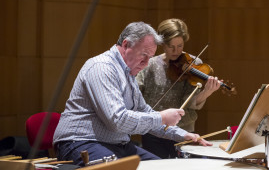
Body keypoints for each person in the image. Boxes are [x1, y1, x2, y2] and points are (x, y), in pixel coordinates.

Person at [53, 22, 212, 166]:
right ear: (126, 44)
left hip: (118, 145)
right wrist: (162, 117)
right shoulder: (102, 67)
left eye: (150, 57)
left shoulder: (128, 74)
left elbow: (144, 112)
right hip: (81, 142)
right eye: (143, 55)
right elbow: (117, 120)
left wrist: (183, 135)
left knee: (165, 167)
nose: (146, 63)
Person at [136, 19, 220, 159]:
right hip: (153, 131)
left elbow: (192, 103)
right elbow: (136, 95)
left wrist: (207, 92)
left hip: (184, 130)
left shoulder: (193, 64)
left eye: (180, 46)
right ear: (162, 43)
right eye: (171, 46)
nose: (176, 51)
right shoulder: (149, 65)